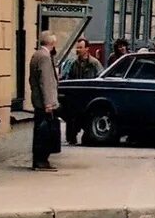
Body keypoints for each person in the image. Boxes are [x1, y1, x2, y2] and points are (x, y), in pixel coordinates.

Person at [28, 31, 61, 171]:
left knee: (40, 130)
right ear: (51, 43)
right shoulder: (45, 57)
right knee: (44, 132)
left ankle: (39, 160)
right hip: (44, 102)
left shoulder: (36, 55)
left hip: (38, 100)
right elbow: (45, 81)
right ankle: (41, 161)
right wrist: (49, 103)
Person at [63, 37, 104, 145]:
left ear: (87, 49)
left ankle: (87, 138)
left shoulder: (94, 63)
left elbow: (100, 78)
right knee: (72, 117)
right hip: (76, 96)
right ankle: (71, 138)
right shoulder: (73, 63)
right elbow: (69, 78)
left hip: (89, 97)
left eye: (80, 47)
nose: (78, 50)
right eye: (77, 48)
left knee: (87, 118)